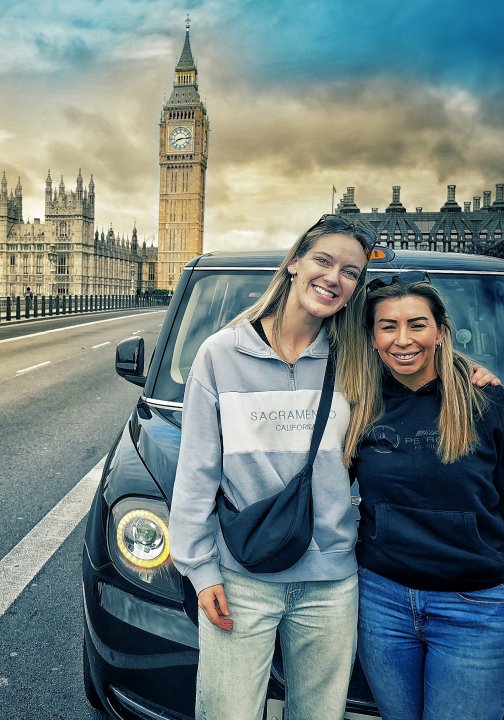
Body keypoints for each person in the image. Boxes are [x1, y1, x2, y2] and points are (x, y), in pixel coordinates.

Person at [169, 214, 378, 720]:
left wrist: (468, 373)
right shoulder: (220, 353)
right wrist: (199, 569)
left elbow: (421, 365)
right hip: (242, 575)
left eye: (350, 272)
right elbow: (198, 469)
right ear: (293, 264)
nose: (333, 278)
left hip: (330, 580)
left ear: (355, 288)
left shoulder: (356, 359)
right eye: (323, 261)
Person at [347, 276, 504, 720]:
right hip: (382, 603)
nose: (403, 340)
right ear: (373, 337)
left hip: (474, 611)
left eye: (417, 325)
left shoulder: (492, 404)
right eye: (387, 326)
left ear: (440, 331)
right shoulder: (359, 404)